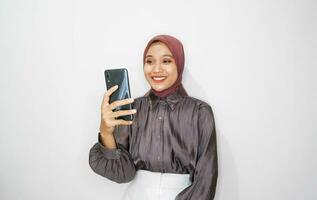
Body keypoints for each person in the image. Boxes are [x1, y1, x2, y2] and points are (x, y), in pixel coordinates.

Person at [89, 34, 218, 200]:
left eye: (166, 61)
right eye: (149, 61)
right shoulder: (131, 109)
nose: (156, 69)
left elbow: (206, 179)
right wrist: (105, 132)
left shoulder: (200, 112)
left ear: (179, 63)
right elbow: (123, 174)